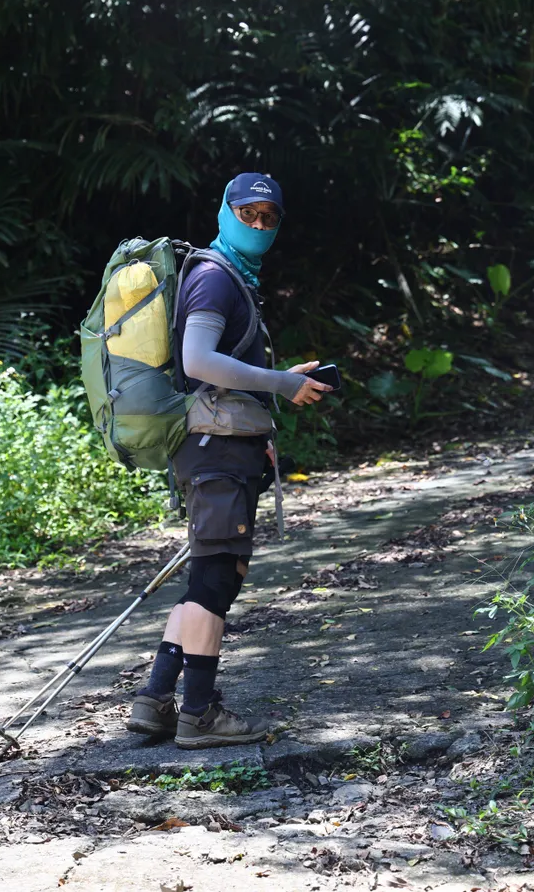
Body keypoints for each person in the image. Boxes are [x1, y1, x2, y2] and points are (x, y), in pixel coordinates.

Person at [127, 172, 331, 749]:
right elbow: (198, 360)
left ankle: (155, 701)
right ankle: (199, 713)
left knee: (210, 576)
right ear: (226, 212)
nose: (259, 225)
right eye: (249, 214)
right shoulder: (216, 277)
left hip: (223, 449)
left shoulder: (233, 276)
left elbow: (223, 373)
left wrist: (265, 403)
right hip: (214, 452)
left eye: (269, 217)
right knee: (215, 580)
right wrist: (280, 384)